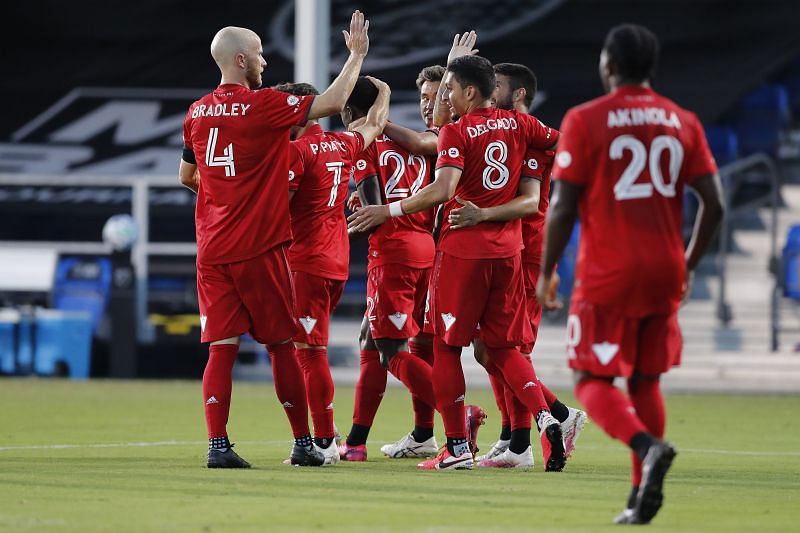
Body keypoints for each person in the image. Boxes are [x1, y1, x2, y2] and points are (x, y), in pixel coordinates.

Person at [538, 24, 723, 523]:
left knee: (590, 377)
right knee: (645, 381)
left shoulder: (586, 119)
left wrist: (545, 272)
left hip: (610, 271)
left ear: (610, 65)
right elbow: (715, 203)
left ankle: (647, 447)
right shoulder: (682, 120)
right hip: (665, 266)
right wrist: (686, 264)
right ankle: (639, 498)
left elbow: (562, 208)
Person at [348, 46, 565, 472]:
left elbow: (443, 190)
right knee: (504, 347)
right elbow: (558, 143)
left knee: (445, 349)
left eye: (449, 89)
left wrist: (388, 209)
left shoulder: (458, 132)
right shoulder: (522, 124)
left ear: (469, 91)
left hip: (463, 252)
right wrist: (537, 164)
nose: (443, 98)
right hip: (509, 253)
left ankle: (457, 448)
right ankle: (545, 417)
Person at [177, 11, 371, 468]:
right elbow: (332, 101)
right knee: (283, 344)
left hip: (211, 249)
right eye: (260, 54)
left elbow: (187, 176)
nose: (265, 62)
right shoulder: (261, 105)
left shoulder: (197, 111)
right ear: (241, 60)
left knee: (221, 348)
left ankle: (217, 447)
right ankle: (305, 442)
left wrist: (229, 194)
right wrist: (357, 55)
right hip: (258, 248)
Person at [449, 62, 587, 469]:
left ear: (520, 95)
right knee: (489, 349)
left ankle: (532, 434)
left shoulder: (530, 137)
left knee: (509, 349)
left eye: (501, 89)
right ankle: (519, 433)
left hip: (524, 250)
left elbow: (533, 199)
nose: (492, 95)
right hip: (511, 247)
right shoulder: (510, 134)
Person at [338, 73, 475, 463]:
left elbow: (375, 208)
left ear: (349, 111)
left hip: (393, 252)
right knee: (372, 340)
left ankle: (458, 419)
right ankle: (359, 442)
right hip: (425, 250)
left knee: (390, 351)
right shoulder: (425, 143)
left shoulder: (366, 145)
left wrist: (359, 208)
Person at [273, 78, 389, 465]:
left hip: (305, 261)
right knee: (306, 348)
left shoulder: (296, 152)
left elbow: (278, 212)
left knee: (308, 352)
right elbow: (373, 125)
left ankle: (322, 441)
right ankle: (327, 431)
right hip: (336, 262)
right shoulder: (342, 143)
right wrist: (384, 92)